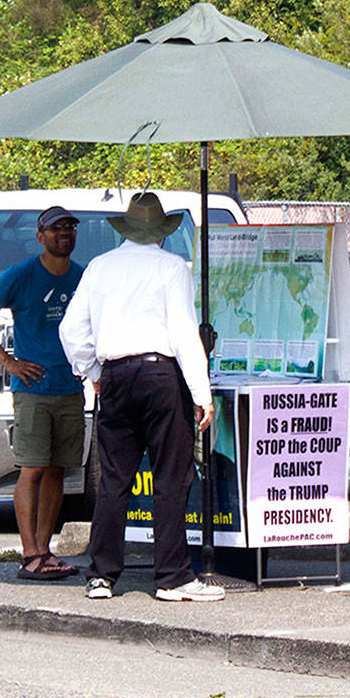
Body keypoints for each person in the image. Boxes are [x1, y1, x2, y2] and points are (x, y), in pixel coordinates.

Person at [59, 192, 224, 602]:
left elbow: (70, 330)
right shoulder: (171, 267)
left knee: (114, 478)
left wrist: (93, 372)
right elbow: (184, 333)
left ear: (128, 230)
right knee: (171, 476)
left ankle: (101, 575)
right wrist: (202, 393)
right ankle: (171, 576)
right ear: (161, 233)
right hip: (160, 374)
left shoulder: (99, 267)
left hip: (114, 373)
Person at [0, 206, 86, 582]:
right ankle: (29, 552)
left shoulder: (83, 277)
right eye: (55, 229)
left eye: (69, 228)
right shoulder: (21, 275)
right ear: (40, 237)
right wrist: (7, 361)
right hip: (32, 388)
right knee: (32, 467)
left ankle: (45, 550)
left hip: (70, 387)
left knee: (56, 470)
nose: (63, 234)